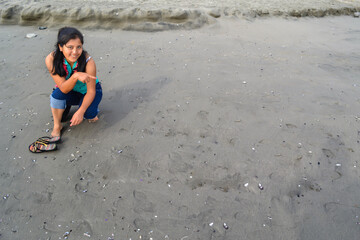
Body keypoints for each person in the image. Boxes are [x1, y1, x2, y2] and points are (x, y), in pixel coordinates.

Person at [45, 27, 102, 140]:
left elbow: (91, 91)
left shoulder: (89, 62)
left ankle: (92, 109)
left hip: (89, 92)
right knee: (57, 98)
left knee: (89, 116)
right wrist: (76, 76)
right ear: (61, 47)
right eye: (70, 47)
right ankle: (57, 126)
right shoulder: (51, 59)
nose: (75, 52)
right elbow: (64, 89)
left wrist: (80, 111)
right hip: (69, 90)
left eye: (79, 47)